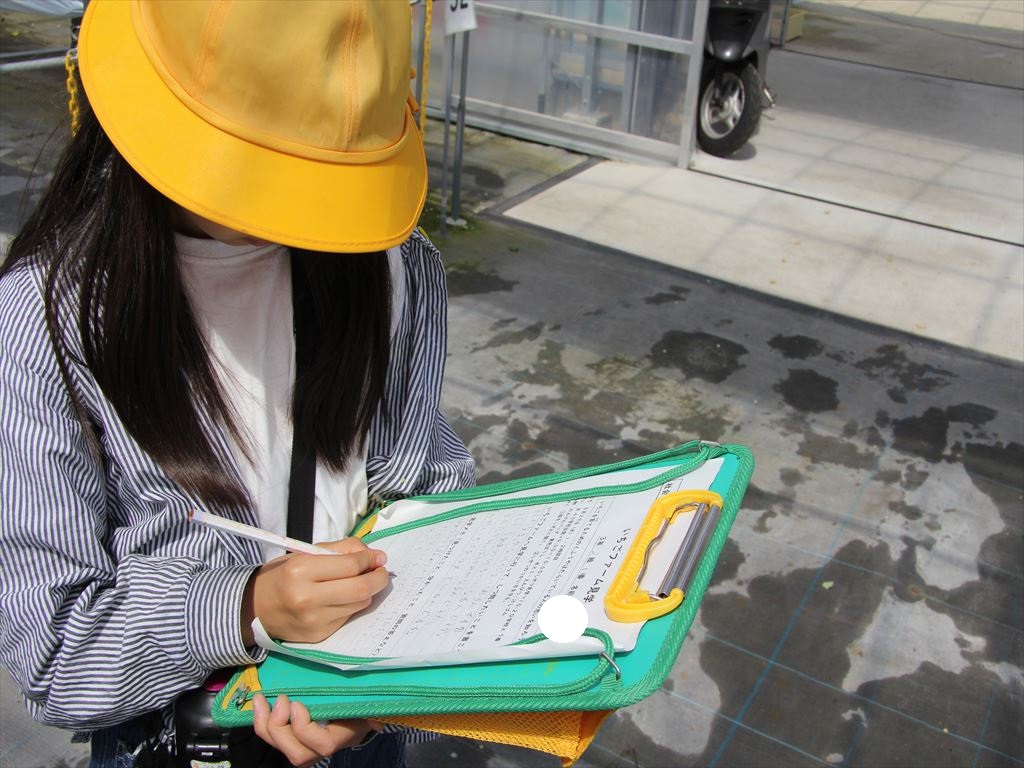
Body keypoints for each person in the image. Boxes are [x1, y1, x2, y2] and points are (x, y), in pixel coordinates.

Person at [0, 2, 475, 767]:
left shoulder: (396, 267)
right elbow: (55, 654)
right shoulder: (46, 320)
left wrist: (376, 703)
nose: (293, 210)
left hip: (361, 731)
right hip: (178, 738)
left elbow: (429, 494)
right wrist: (246, 606)